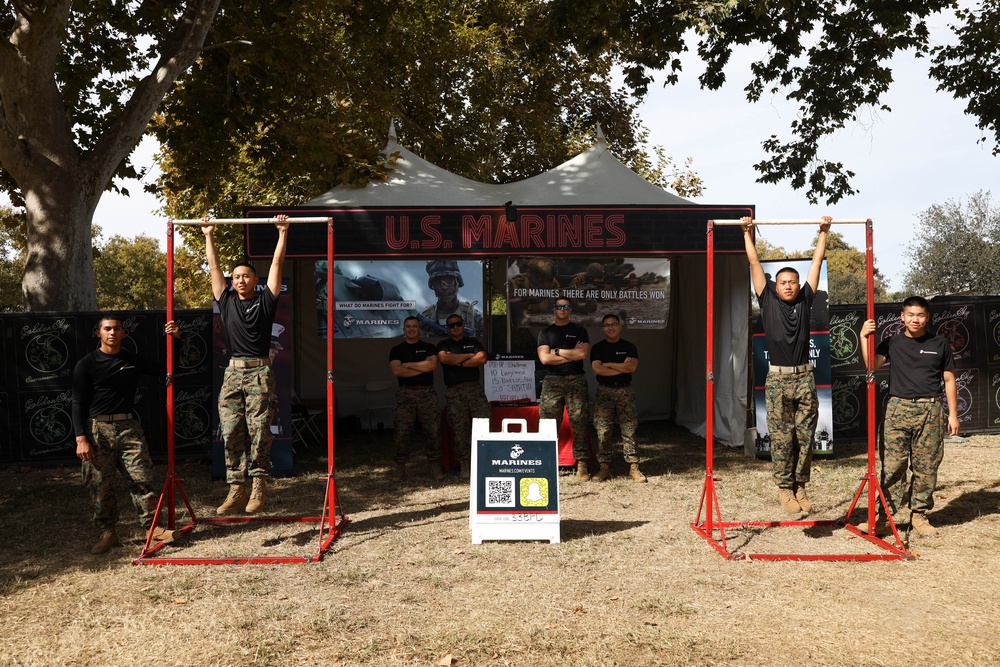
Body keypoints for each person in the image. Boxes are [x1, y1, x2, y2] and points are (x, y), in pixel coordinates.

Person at [743, 215, 831, 515]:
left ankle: (800, 486)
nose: (788, 286)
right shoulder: (767, 300)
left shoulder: (806, 299)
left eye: (792, 281)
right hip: (778, 379)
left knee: (805, 436)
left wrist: (822, 234)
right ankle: (784, 489)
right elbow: (755, 265)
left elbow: (817, 264)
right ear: (775, 286)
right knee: (781, 437)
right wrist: (747, 233)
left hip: (804, 376)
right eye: (783, 282)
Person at [202, 215, 289, 515]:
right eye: (236, 276)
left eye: (246, 276)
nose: (240, 280)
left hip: (259, 372)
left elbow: (276, 266)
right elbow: (214, 268)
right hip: (233, 373)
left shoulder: (266, 301)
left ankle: (258, 485)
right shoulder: (225, 301)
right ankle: (236, 487)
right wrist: (208, 234)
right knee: (230, 429)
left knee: (261, 429)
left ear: (255, 280)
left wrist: (282, 232)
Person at [72, 315, 181, 554]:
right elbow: (77, 402)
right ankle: (108, 533)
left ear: (123, 333)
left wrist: (177, 339)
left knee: (142, 479)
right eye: (107, 329)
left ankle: (152, 529)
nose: (112, 333)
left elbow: (168, 367)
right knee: (100, 485)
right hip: (97, 431)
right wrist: (81, 438)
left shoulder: (132, 360)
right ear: (98, 333)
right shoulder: (87, 364)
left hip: (129, 428)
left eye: (117, 329)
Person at [859, 296, 959, 537]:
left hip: (930, 411)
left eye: (921, 315)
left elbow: (948, 379)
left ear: (928, 318)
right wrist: (863, 337)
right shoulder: (892, 343)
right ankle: (884, 518)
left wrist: (953, 415)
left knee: (926, 467)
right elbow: (872, 366)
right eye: (911, 315)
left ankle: (920, 516)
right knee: (892, 468)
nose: (916, 319)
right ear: (902, 317)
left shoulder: (940, 343)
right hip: (898, 410)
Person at [537, 296, 591, 479]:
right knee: (549, 424)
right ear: (554, 309)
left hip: (576, 379)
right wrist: (571, 355)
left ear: (570, 310)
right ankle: (547, 463)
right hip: (553, 380)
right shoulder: (545, 332)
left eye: (566, 306)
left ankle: (582, 464)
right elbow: (545, 358)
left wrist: (557, 351)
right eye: (559, 306)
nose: (562, 309)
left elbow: (583, 354)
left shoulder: (579, 330)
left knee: (580, 421)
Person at [590, 313, 645, 482]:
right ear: (603, 329)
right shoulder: (598, 348)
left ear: (620, 327)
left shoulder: (629, 347)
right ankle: (604, 467)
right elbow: (598, 370)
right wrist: (622, 367)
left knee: (629, 430)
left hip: (624, 392)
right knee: (603, 431)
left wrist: (608, 364)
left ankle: (634, 467)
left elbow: (632, 367)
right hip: (604, 392)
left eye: (614, 324)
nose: (610, 328)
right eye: (607, 325)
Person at [390, 315, 444, 482]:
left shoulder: (429, 347)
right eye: (408, 326)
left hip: (427, 393)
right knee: (402, 433)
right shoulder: (397, 350)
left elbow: (432, 366)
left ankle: (435, 467)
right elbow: (397, 371)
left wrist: (407, 365)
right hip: (405, 394)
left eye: (415, 326)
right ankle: (400, 468)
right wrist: (421, 367)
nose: (411, 329)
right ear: (404, 329)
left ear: (420, 329)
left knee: (433, 431)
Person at [437, 314, 491, 476]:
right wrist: (468, 356)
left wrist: (457, 361)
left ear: (463, 325)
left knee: (484, 424)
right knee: (459, 428)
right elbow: (445, 359)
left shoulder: (472, 341)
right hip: (455, 392)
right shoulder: (443, 344)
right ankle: (464, 465)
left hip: (475, 390)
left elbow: (482, 358)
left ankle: (484, 461)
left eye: (458, 324)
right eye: (451, 325)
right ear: (447, 328)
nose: (455, 327)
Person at [420, 260, 482, 337]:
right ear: (433, 286)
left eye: (449, 282)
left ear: (457, 283)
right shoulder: (426, 317)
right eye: (438, 283)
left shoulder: (473, 316)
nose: (444, 287)